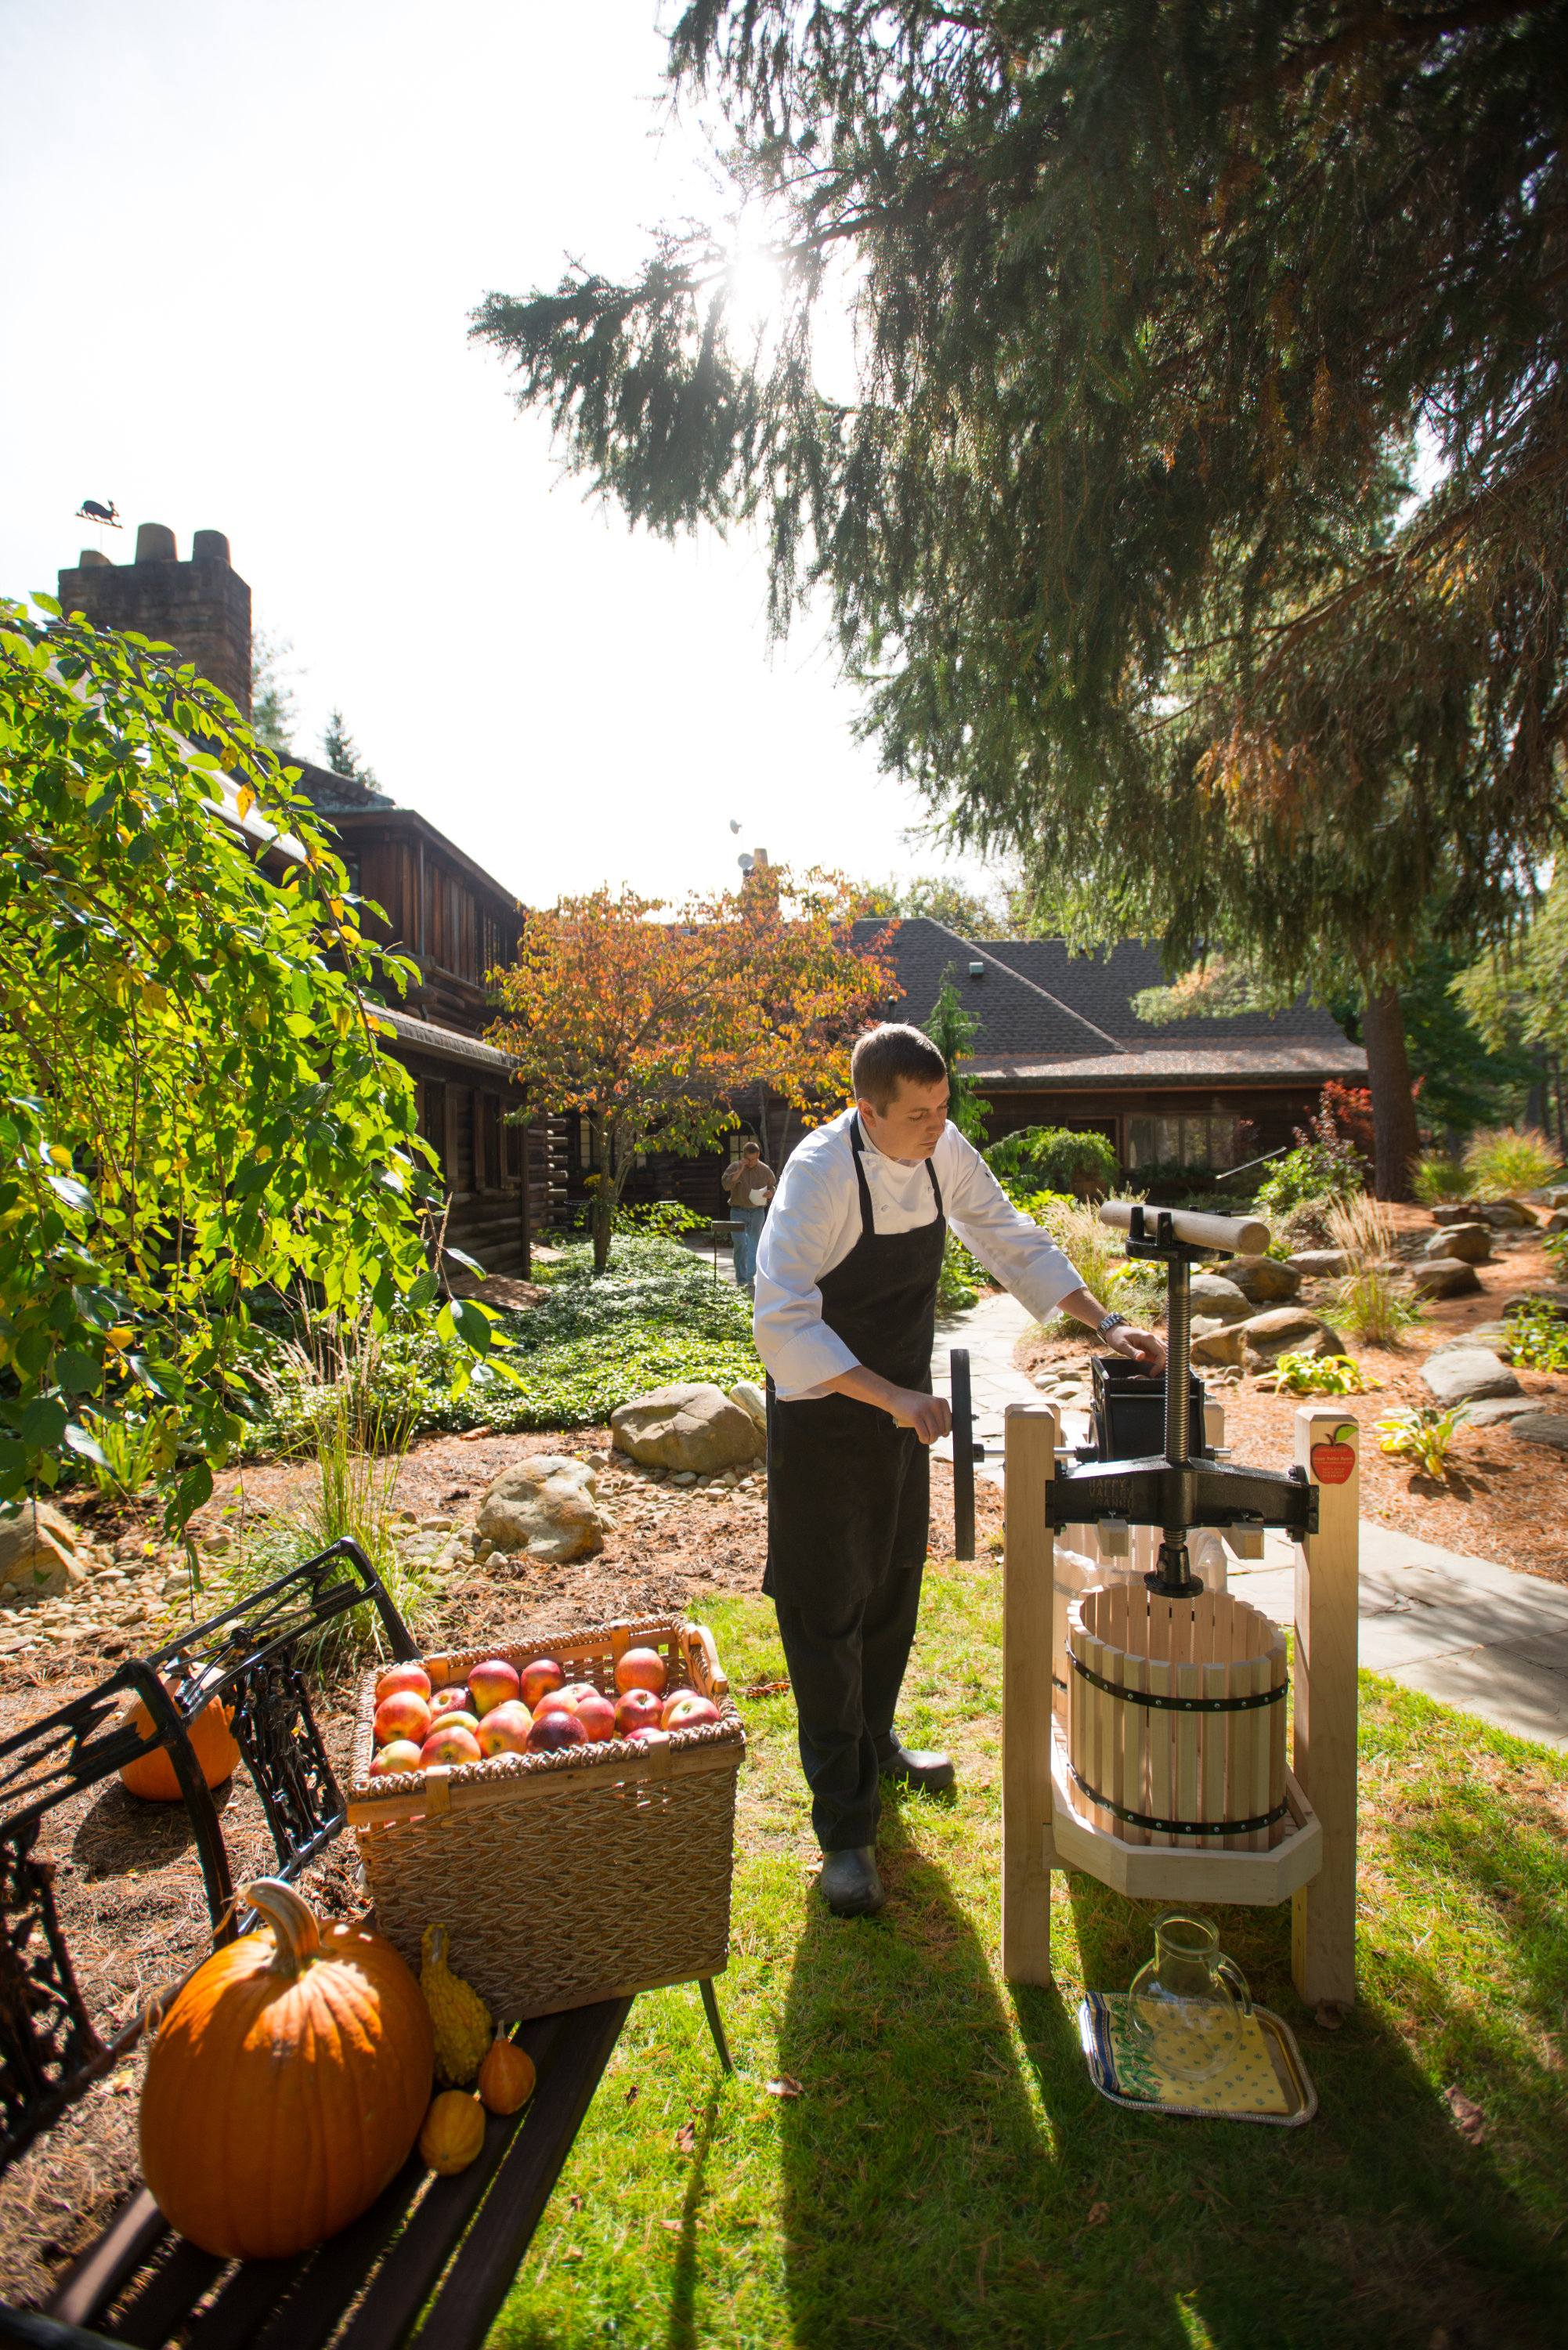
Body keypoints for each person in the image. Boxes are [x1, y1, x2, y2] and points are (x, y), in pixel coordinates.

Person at [752, 1023, 1167, 1919]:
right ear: (866, 1110)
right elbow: (780, 1320)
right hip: (824, 1417)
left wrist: (1101, 1324)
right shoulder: (819, 1175)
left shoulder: (940, 1149)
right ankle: (845, 1832)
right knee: (826, 1610)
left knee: (895, 1581)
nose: (937, 1126)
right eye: (917, 1114)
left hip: (901, 1411)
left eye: (943, 1108)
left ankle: (878, 1740)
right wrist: (890, 1397)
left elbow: (1004, 1233)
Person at [721, 1139, 777, 1292]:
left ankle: (750, 1278)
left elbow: (773, 1186)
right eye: (748, 1159)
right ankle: (740, 1278)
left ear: (758, 1155)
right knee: (740, 1243)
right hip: (738, 1210)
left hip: (757, 1211)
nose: (751, 1162)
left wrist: (770, 1193)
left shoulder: (765, 1170)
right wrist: (740, 1169)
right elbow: (726, 1185)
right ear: (744, 1156)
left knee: (754, 1245)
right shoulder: (735, 1167)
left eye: (754, 1159)